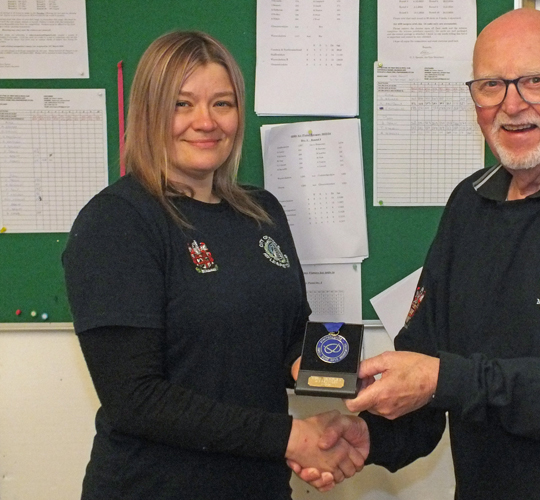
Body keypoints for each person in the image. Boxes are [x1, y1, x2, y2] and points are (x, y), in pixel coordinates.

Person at [294, 8, 540, 499]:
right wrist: (372, 438)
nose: (512, 104)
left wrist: (446, 379)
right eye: (491, 85)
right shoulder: (469, 204)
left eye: (535, 81)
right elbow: (427, 367)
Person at [63, 31, 367, 500]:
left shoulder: (261, 210)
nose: (205, 122)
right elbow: (136, 399)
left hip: (258, 484)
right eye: (182, 104)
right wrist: (292, 437)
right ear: (148, 112)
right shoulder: (118, 221)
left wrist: (362, 380)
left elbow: (292, 338)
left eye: (222, 104)